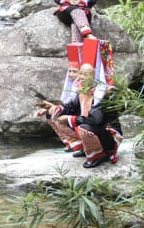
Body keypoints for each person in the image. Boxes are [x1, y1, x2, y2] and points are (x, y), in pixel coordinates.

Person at [36, 38, 120, 169]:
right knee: (54, 117)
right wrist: (53, 109)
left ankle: (100, 154)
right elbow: (70, 107)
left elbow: (95, 120)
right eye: (80, 73)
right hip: (92, 126)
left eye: (85, 74)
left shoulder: (102, 94)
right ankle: (85, 147)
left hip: (107, 133)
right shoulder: (83, 91)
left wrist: (70, 119)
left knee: (85, 127)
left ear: (94, 77)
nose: (80, 77)